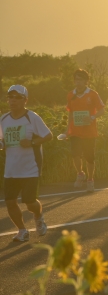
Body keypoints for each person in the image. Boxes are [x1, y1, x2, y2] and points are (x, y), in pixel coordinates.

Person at [1, 85, 53, 242]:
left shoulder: (32, 117)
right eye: (10, 97)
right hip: (11, 169)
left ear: (25, 100)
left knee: (30, 203)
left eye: (17, 97)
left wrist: (31, 142)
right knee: (10, 202)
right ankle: (22, 230)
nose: (13, 100)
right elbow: (1, 141)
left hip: (30, 168)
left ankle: (38, 216)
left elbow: (48, 135)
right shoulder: (3, 119)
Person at [66, 69, 105, 192]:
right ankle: (80, 174)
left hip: (89, 131)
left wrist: (92, 117)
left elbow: (102, 110)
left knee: (89, 157)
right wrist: (68, 129)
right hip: (75, 131)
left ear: (86, 81)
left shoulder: (93, 94)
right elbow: (70, 113)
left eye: (81, 80)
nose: (78, 82)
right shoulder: (71, 95)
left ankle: (90, 179)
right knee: (75, 154)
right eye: (76, 80)